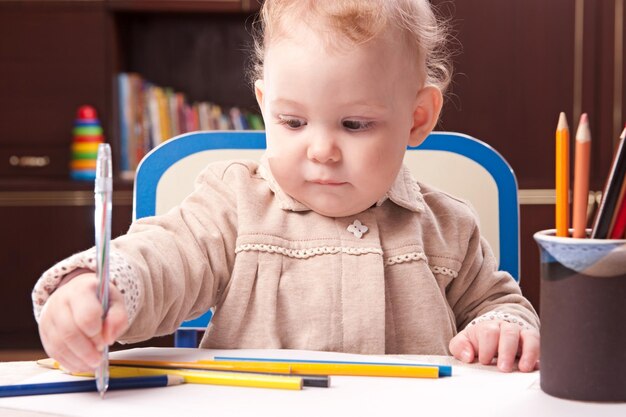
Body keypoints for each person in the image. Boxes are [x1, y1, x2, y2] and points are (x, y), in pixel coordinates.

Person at [33, 0, 540, 374]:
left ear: (417, 117)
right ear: (264, 103)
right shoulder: (234, 204)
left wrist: (503, 328)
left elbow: (498, 303)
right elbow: (166, 254)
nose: (320, 149)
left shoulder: (448, 226)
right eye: (293, 122)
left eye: (355, 124)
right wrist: (106, 286)